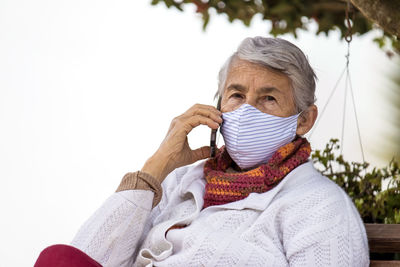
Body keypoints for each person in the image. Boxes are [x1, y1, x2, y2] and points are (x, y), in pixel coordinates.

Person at [35, 37, 369, 267]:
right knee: (58, 258)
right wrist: (157, 167)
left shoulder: (318, 204)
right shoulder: (182, 180)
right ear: (218, 106)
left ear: (304, 119)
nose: (247, 111)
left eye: (268, 98)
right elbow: (87, 257)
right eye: (236, 95)